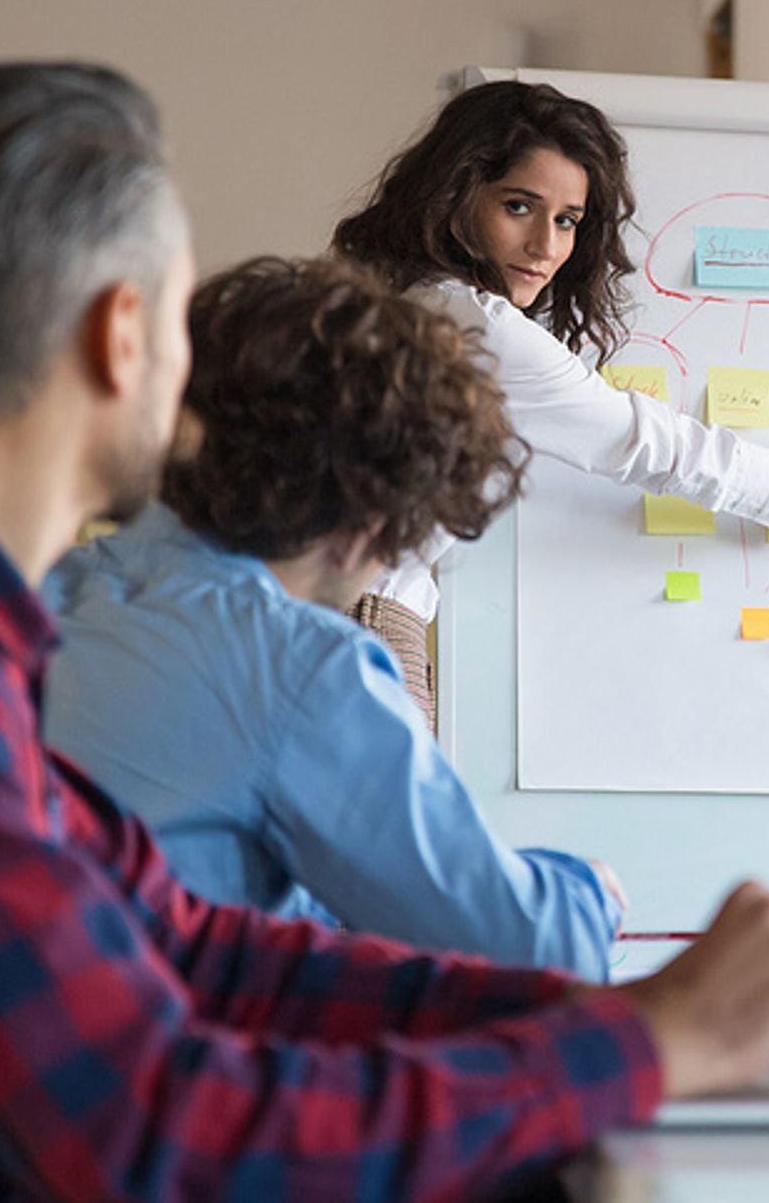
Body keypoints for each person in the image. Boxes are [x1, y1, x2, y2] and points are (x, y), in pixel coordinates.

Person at [0, 61, 769, 1199]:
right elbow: (145, 1128)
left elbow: (187, 944)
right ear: (126, 337)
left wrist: (623, 1014)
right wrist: (644, 1045)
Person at [331, 80, 769, 714]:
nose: (545, 245)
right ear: (455, 194)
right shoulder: (475, 327)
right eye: (518, 206)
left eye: (567, 220)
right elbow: (666, 450)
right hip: (361, 627)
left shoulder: (385, 301)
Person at [43, 254, 626, 978]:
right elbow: (528, 947)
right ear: (372, 522)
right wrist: (590, 892)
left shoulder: (44, 591)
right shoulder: (301, 666)